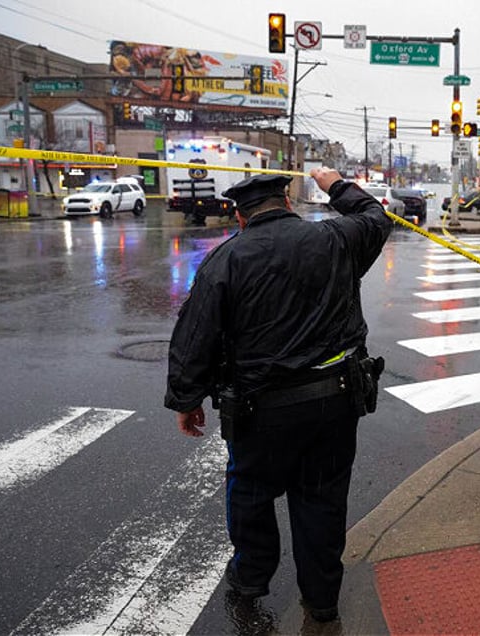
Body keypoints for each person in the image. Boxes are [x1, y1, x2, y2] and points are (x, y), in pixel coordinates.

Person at [164, 168, 392, 623]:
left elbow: (195, 338)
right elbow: (376, 215)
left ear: (240, 217)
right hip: (334, 400)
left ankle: (250, 581)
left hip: (259, 411)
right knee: (322, 500)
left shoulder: (224, 261)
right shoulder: (336, 240)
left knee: (250, 493)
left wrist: (186, 400)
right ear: (288, 205)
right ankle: (322, 599)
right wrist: (333, 184)